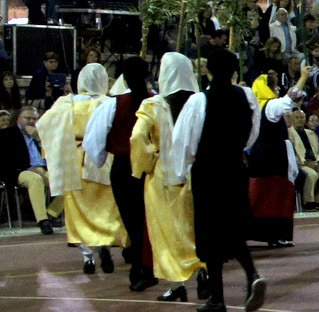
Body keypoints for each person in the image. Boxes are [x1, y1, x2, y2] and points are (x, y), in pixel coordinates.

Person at [170, 51, 268, 312]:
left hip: (208, 171)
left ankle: (217, 298)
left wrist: (179, 173)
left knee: (210, 234)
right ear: (235, 71)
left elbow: (184, 142)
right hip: (235, 168)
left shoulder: (198, 100)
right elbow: (253, 133)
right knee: (233, 228)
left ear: (208, 71)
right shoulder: (246, 96)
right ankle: (251, 273)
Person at [129, 53, 206, 302]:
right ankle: (204, 269)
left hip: (163, 174)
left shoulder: (152, 105)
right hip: (196, 172)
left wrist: (145, 162)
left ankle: (177, 283)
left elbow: (137, 137)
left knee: (165, 230)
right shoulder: (200, 101)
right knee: (196, 227)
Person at [38, 63, 128, 276]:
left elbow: (44, 126)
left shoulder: (66, 103)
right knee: (107, 207)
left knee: (78, 210)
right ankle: (104, 244)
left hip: (74, 160)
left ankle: (87, 257)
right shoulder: (108, 102)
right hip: (103, 158)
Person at [84, 57, 161, 291]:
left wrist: (100, 159)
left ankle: (140, 267)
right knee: (151, 220)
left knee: (132, 221)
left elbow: (94, 140)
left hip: (124, 167)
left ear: (123, 78)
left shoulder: (114, 104)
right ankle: (146, 265)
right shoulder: (157, 102)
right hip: (153, 168)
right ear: (148, 75)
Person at [246, 69, 309, 248]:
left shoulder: (256, 106)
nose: (278, 89)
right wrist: (303, 77)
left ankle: (268, 233)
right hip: (272, 155)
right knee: (275, 194)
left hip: (264, 154)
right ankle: (274, 234)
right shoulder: (270, 105)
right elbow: (289, 100)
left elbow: (293, 100)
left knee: (262, 193)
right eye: (275, 86)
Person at [3, 106, 64, 234]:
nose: (31, 121)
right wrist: (31, 169)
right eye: (27, 118)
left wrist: (38, 138)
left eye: (34, 118)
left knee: (68, 180)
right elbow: (6, 160)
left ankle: (51, 214)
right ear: (18, 119)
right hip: (20, 171)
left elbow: (55, 155)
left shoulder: (42, 134)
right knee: (35, 179)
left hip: (44, 168)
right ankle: (43, 221)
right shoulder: (7, 134)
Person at [288, 110, 319, 211]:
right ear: (292, 119)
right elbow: (292, 153)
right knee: (312, 174)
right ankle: (308, 202)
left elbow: (318, 152)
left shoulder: (311, 133)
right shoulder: (288, 133)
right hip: (301, 164)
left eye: (302, 117)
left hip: (315, 162)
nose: (300, 120)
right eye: (297, 117)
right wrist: (305, 163)